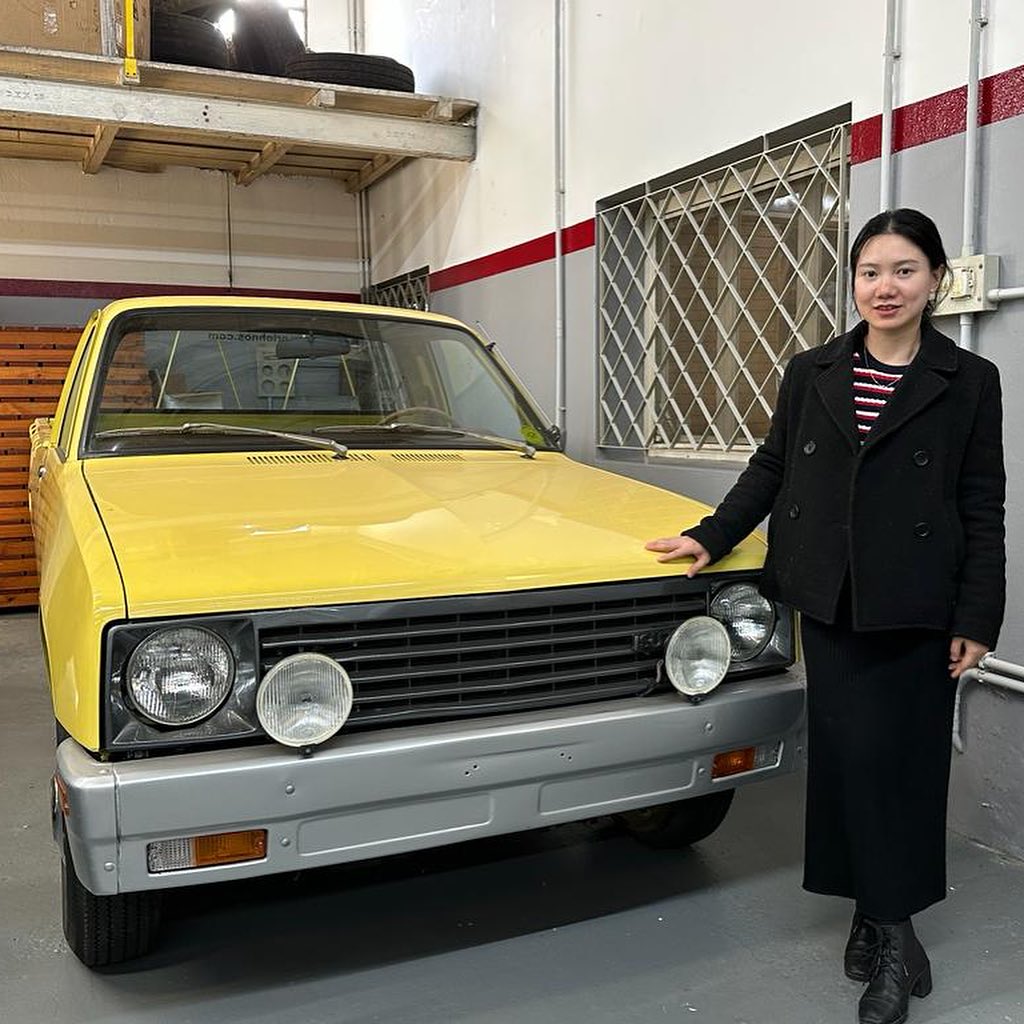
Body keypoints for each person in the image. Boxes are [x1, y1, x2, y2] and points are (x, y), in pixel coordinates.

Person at [646, 208, 1005, 1024]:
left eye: (905, 270)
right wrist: (712, 534)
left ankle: (894, 932)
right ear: (853, 283)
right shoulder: (813, 370)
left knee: (901, 767)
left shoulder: (968, 380)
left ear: (936, 280)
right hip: (832, 597)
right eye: (870, 272)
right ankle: (873, 915)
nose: (886, 287)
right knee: (847, 762)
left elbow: (982, 501)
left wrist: (979, 615)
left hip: (919, 603)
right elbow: (773, 464)